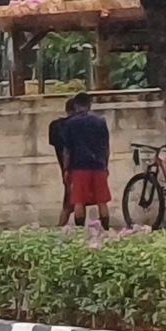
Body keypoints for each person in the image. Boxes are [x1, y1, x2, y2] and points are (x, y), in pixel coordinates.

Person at [55, 91, 117, 233]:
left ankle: (79, 233)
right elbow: (106, 147)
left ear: (76, 105)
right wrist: (105, 165)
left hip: (79, 167)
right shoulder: (100, 121)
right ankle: (106, 230)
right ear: (89, 104)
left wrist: (66, 169)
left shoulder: (70, 124)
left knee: (79, 201)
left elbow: (67, 150)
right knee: (102, 201)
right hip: (98, 165)